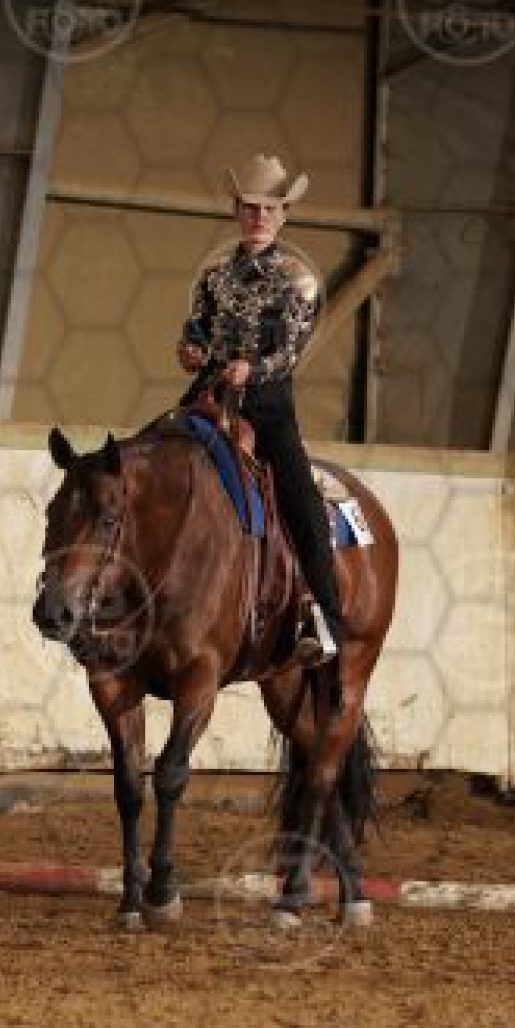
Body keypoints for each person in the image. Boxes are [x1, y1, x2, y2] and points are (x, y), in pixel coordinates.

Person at [176, 154, 340, 667]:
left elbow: (289, 352)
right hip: (208, 396)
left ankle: (323, 619)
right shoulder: (214, 277)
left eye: (270, 208)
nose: (260, 217)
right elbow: (195, 331)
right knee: (151, 455)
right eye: (250, 207)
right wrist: (190, 352)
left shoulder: (298, 280)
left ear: (284, 214)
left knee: (303, 503)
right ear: (236, 210)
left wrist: (253, 369)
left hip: (267, 408)